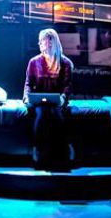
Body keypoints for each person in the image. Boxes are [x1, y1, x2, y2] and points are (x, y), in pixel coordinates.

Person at [23, 28, 74, 168]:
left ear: (52, 42)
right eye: (40, 40)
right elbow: (28, 83)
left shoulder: (65, 63)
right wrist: (27, 98)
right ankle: (37, 148)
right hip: (39, 101)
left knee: (56, 113)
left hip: (58, 102)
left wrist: (63, 98)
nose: (40, 43)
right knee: (41, 112)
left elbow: (67, 86)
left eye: (43, 40)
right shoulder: (34, 62)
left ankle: (64, 148)